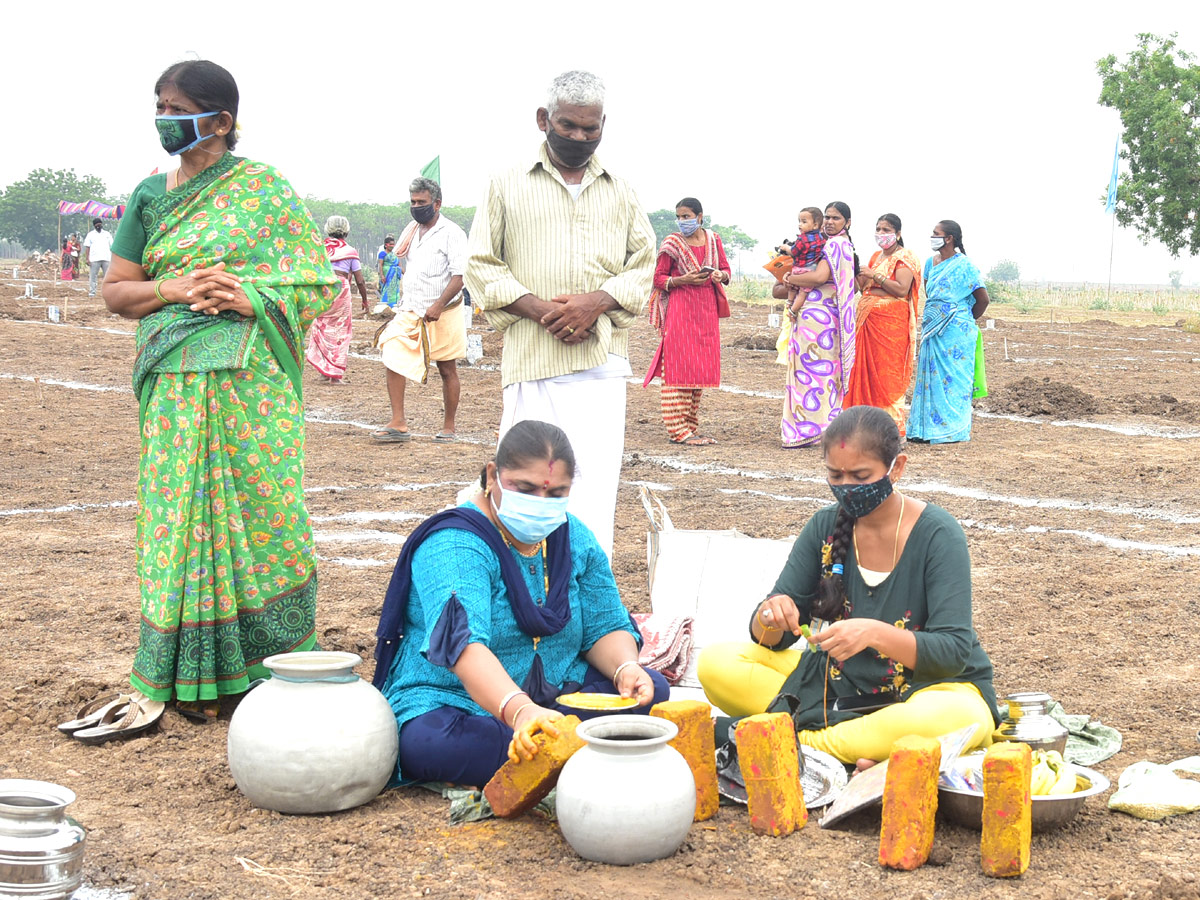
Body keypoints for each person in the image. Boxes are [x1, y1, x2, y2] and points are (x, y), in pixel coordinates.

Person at [101, 59, 336, 721]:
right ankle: (182, 676)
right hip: (173, 385)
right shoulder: (150, 197)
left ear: (222, 120)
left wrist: (249, 293)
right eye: (159, 105)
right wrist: (171, 288)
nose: (163, 119)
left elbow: (317, 284)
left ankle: (273, 667)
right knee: (179, 520)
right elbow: (116, 291)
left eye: (176, 108)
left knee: (264, 514)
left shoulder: (265, 190)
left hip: (250, 389)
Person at [697, 406, 999, 766]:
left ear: (897, 468)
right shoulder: (824, 526)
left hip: (923, 691)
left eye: (859, 475)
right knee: (716, 664)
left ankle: (799, 742)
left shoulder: (937, 534)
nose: (846, 487)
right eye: (835, 475)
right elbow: (776, 634)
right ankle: (856, 744)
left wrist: (873, 633)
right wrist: (770, 616)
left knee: (963, 719)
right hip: (834, 687)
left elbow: (952, 651)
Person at [373, 420, 669, 786]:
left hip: (555, 694)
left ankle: (559, 753)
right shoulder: (455, 543)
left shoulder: (572, 534)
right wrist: (520, 710)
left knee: (650, 689)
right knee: (432, 743)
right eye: (525, 489)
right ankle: (589, 750)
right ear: (492, 475)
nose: (540, 504)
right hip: (458, 701)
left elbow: (604, 626)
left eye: (556, 493)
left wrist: (625, 668)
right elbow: (462, 646)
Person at [465, 70, 656, 559]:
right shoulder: (505, 185)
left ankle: (586, 600)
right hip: (534, 363)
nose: (578, 137)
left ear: (603, 125)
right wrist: (542, 311)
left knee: (591, 490)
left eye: (590, 129)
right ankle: (518, 593)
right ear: (543, 120)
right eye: (568, 126)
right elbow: (481, 265)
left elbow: (643, 265)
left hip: (601, 367)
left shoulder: (621, 189)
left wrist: (598, 302)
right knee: (525, 486)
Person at [373, 177, 467, 443]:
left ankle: (449, 427)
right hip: (411, 309)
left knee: (447, 369)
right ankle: (398, 422)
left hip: (444, 311)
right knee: (392, 354)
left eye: (421, 202)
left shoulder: (452, 233)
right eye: (413, 202)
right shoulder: (411, 231)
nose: (416, 207)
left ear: (437, 204)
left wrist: (438, 305)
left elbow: (460, 275)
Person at [642, 197, 730, 445]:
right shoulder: (672, 243)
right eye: (679, 217)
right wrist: (684, 280)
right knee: (678, 366)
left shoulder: (714, 240)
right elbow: (659, 279)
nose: (682, 222)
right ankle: (678, 431)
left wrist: (720, 274)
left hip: (706, 312)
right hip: (680, 310)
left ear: (700, 217)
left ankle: (690, 428)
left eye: (687, 216)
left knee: (698, 369)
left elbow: (726, 270)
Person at [777, 201, 858, 448]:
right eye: (828, 218)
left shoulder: (835, 245)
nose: (830, 223)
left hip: (820, 318)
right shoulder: (836, 244)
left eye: (836, 218)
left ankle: (808, 430)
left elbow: (820, 277)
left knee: (813, 375)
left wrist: (791, 277)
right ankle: (822, 428)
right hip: (821, 317)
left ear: (848, 222)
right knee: (820, 374)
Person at [909, 220, 990, 444]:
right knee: (931, 378)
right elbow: (932, 294)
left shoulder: (965, 266)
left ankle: (953, 430)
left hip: (957, 332)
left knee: (954, 381)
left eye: (936, 233)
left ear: (949, 238)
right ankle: (926, 430)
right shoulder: (930, 263)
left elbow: (983, 299)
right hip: (932, 329)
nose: (932, 236)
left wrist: (962, 319)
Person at [845, 213, 924, 438]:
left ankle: (891, 428)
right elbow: (864, 288)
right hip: (868, 318)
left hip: (891, 324)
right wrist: (858, 273)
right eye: (878, 229)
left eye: (886, 230)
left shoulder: (905, 257)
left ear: (898, 233)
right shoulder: (875, 257)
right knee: (863, 371)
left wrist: (875, 275)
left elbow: (901, 289)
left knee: (886, 374)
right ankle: (863, 424)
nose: (881, 234)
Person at [305, 215, 367, 384]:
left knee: (322, 327)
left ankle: (324, 372)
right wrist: (365, 300)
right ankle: (333, 374)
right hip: (341, 290)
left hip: (322, 290)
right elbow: (360, 280)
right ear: (346, 231)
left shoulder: (319, 249)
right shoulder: (350, 251)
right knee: (340, 330)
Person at [783, 207, 827, 309]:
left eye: (804, 222)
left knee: (792, 288)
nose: (800, 225)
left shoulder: (802, 239)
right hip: (811, 270)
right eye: (799, 221)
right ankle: (794, 310)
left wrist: (786, 248)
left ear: (815, 225)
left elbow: (794, 251)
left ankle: (789, 303)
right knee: (803, 292)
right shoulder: (822, 240)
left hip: (799, 268)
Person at [82, 218, 114, 298]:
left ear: (101, 224)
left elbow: (112, 246)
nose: (98, 226)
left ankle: (109, 293)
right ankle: (92, 292)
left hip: (106, 258)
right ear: (94, 226)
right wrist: (87, 258)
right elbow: (87, 247)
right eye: (96, 225)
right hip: (94, 259)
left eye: (99, 224)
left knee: (107, 277)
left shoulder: (107, 234)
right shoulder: (90, 235)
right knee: (93, 276)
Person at [376, 234, 402, 311]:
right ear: (386, 245)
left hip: (395, 278)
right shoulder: (382, 254)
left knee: (394, 291)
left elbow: (399, 265)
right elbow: (380, 265)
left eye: (393, 244)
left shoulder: (395, 255)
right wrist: (382, 276)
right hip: (386, 276)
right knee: (386, 290)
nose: (392, 246)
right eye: (390, 244)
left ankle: (394, 305)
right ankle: (385, 305)